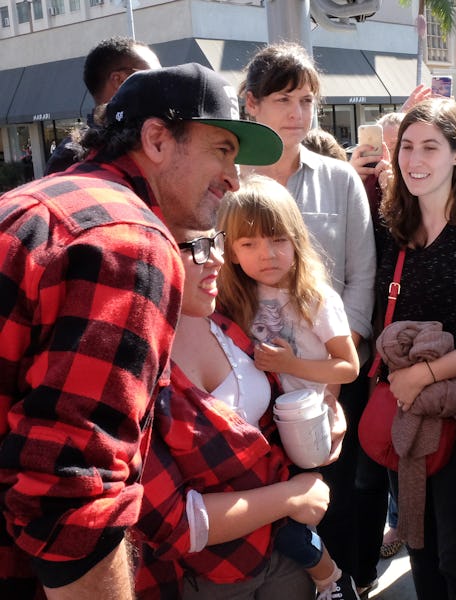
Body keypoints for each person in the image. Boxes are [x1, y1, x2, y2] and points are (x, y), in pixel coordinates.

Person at [0, 62, 282, 598]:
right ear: (156, 138)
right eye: (222, 149)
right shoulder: (129, 238)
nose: (235, 176)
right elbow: (71, 492)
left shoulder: (42, 202)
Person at [134, 209, 349, 599]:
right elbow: (174, 524)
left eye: (214, 241)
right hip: (212, 575)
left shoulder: (228, 314)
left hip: (287, 552)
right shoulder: (136, 362)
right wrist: (292, 496)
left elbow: (291, 387)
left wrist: (329, 406)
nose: (216, 257)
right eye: (196, 247)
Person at [240, 42, 378, 594]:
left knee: (343, 498)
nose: (298, 114)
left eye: (307, 100)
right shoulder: (231, 181)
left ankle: (350, 583)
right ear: (251, 104)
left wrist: (336, 378)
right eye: (283, 99)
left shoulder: (340, 179)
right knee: (275, 510)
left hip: (334, 378)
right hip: (252, 381)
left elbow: (363, 274)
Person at [376, 97, 456, 600]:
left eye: (430, 146)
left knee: (455, 549)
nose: (415, 159)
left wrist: (424, 377)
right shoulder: (394, 226)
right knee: (418, 541)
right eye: (407, 146)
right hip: (404, 408)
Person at [44, 36, 161, 175]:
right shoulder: (72, 157)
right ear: (120, 80)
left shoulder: (153, 138)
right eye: (154, 75)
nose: (163, 82)